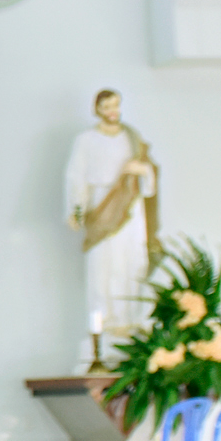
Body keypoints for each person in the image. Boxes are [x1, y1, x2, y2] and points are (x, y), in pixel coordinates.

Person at [64, 88, 159, 336]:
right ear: (97, 109)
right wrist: (76, 209)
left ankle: (128, 318)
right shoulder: (86, 140)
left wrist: (141, 171)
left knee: (131, 259)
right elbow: (76, 176)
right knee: (102, 262)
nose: (112, 111)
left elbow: (148, 174)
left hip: (129, 205)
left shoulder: (131, 138)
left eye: (116, 105)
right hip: (102, 204)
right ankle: (103, 322)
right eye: (107, 107)